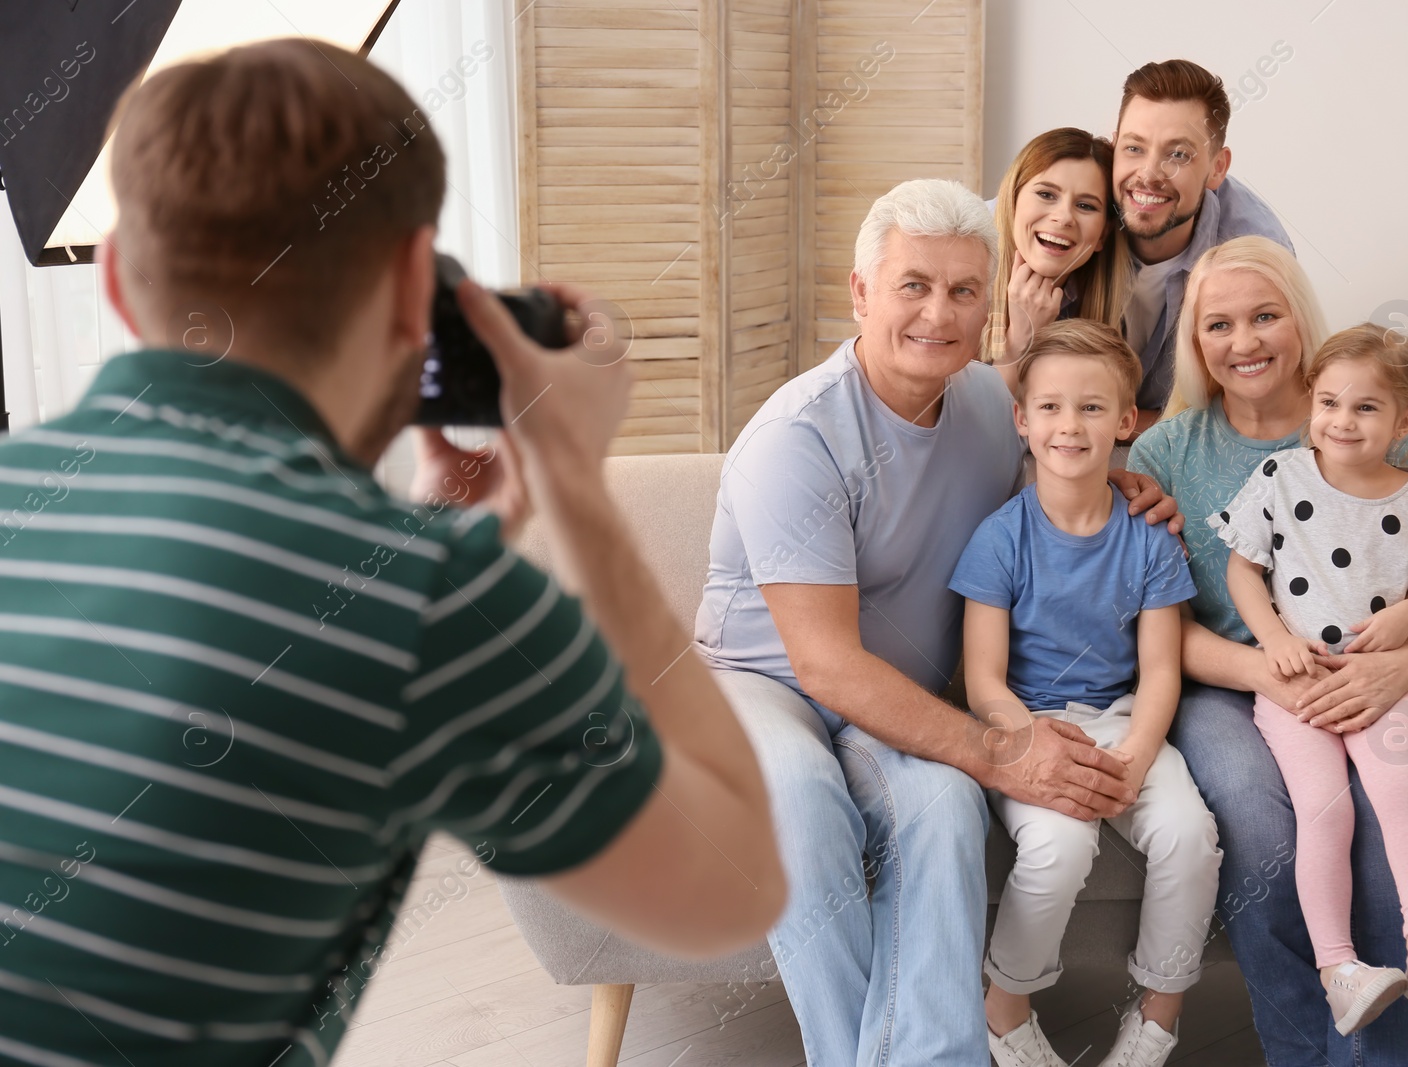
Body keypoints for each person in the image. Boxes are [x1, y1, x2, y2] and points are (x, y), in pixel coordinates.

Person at [0, 40, 784, 1066]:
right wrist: (575, 490)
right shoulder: (430, 605)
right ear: (417, 281)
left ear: (114, 280)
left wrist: (446, 537)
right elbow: (732, 888)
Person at [693, 179, 1182, 1066]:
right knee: (802, 798)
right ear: (861, 293)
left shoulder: (991, 411)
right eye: (912, 285)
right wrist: (1001, 748)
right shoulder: (795, 439)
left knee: (949, 804)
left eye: (963, 291)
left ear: (987, 307)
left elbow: (1054, 486)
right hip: (763, 684)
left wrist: (1125, 486)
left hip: (895, 698)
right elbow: (829, 667)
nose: (937, 312)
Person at [1128, 236, 1408, 1066]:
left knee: (1386, 839)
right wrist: (1262, 668)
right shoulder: (1166, 454)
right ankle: (1301, 1050)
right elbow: (1148, 618)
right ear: (1196, 341)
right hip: (1225, 684)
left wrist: (1400, 664)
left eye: (1265, 316)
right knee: (1263, 824)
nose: (1243, 341)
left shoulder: (1373, 425)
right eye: (1219, 324)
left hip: (1365, 679)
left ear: (1299, 323)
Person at [951, 320, 1219, 1067]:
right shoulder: (999, 539)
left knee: (1189, 837)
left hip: (1126, 722)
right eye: (1052, 408)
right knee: (1061, 846)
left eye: (1093, 408)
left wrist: (1134, 755)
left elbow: (1162, 670)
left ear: (1127, 421)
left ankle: (1157, 1017)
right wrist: (1031, 741)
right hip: (1030, 726)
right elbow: (983, 681)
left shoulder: (1150, 539)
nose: (1070, 425)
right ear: (1022, 420)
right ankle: (1004, 1010)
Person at [1215, 323, 1408, 1033]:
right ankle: (1340, 972)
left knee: (1399, 795)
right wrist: (1272, 639)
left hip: (1381, 683)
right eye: (1329, 402)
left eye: (1365, 407)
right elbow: (1243, 567)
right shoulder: (1281, 477)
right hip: (1298, 685)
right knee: (1324, 810)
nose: (1342, 420)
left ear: (1405, 419)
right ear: (1311, 403)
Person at [1110, 59, 1294, 429]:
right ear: (1113, 147)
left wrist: (1130, 424)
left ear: (1217, 168)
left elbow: (1262, 403)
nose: (1148, 174)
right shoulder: (1069, 200)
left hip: (1191, 445)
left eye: (1178, 154)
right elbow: (973, 217)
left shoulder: (1255, 250)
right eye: (1134, 148)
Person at [988, 128, 1133, 379]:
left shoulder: (1114, 310)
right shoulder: (965, 281)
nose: (1064, 217)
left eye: (1085, 206)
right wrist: (1020, 339)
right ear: (1011, 201)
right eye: (1046, 194)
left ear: (1102, 235)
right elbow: (977, 418)